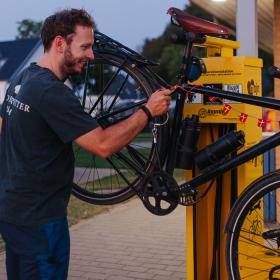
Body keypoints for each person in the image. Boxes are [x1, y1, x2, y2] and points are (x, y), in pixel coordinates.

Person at [0, 9, 171, 280]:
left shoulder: (23, 79)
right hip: (42, 223)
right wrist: (148, 111)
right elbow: (102, 145)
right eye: (85, 46)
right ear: (59, 43)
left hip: (12, 215)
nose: (91, 55)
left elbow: (3, 126)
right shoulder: (52, 92)